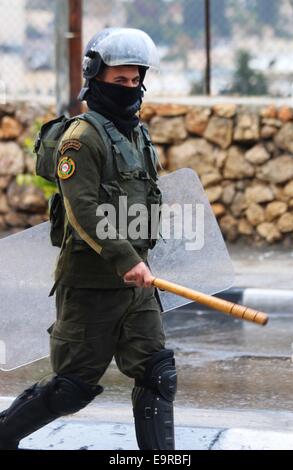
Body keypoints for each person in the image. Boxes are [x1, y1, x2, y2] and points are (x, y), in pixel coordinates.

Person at [0, 28, 177, 451]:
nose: (130, 90)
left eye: (136, 81)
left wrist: (145, 257)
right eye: (120, 81)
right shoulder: (81, 139)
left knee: (157, 372)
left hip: (137, 284)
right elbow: (84, 211)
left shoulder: (138, 133)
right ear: (96, 78)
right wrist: (124, 259)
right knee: (72, 387)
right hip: (91, 285)